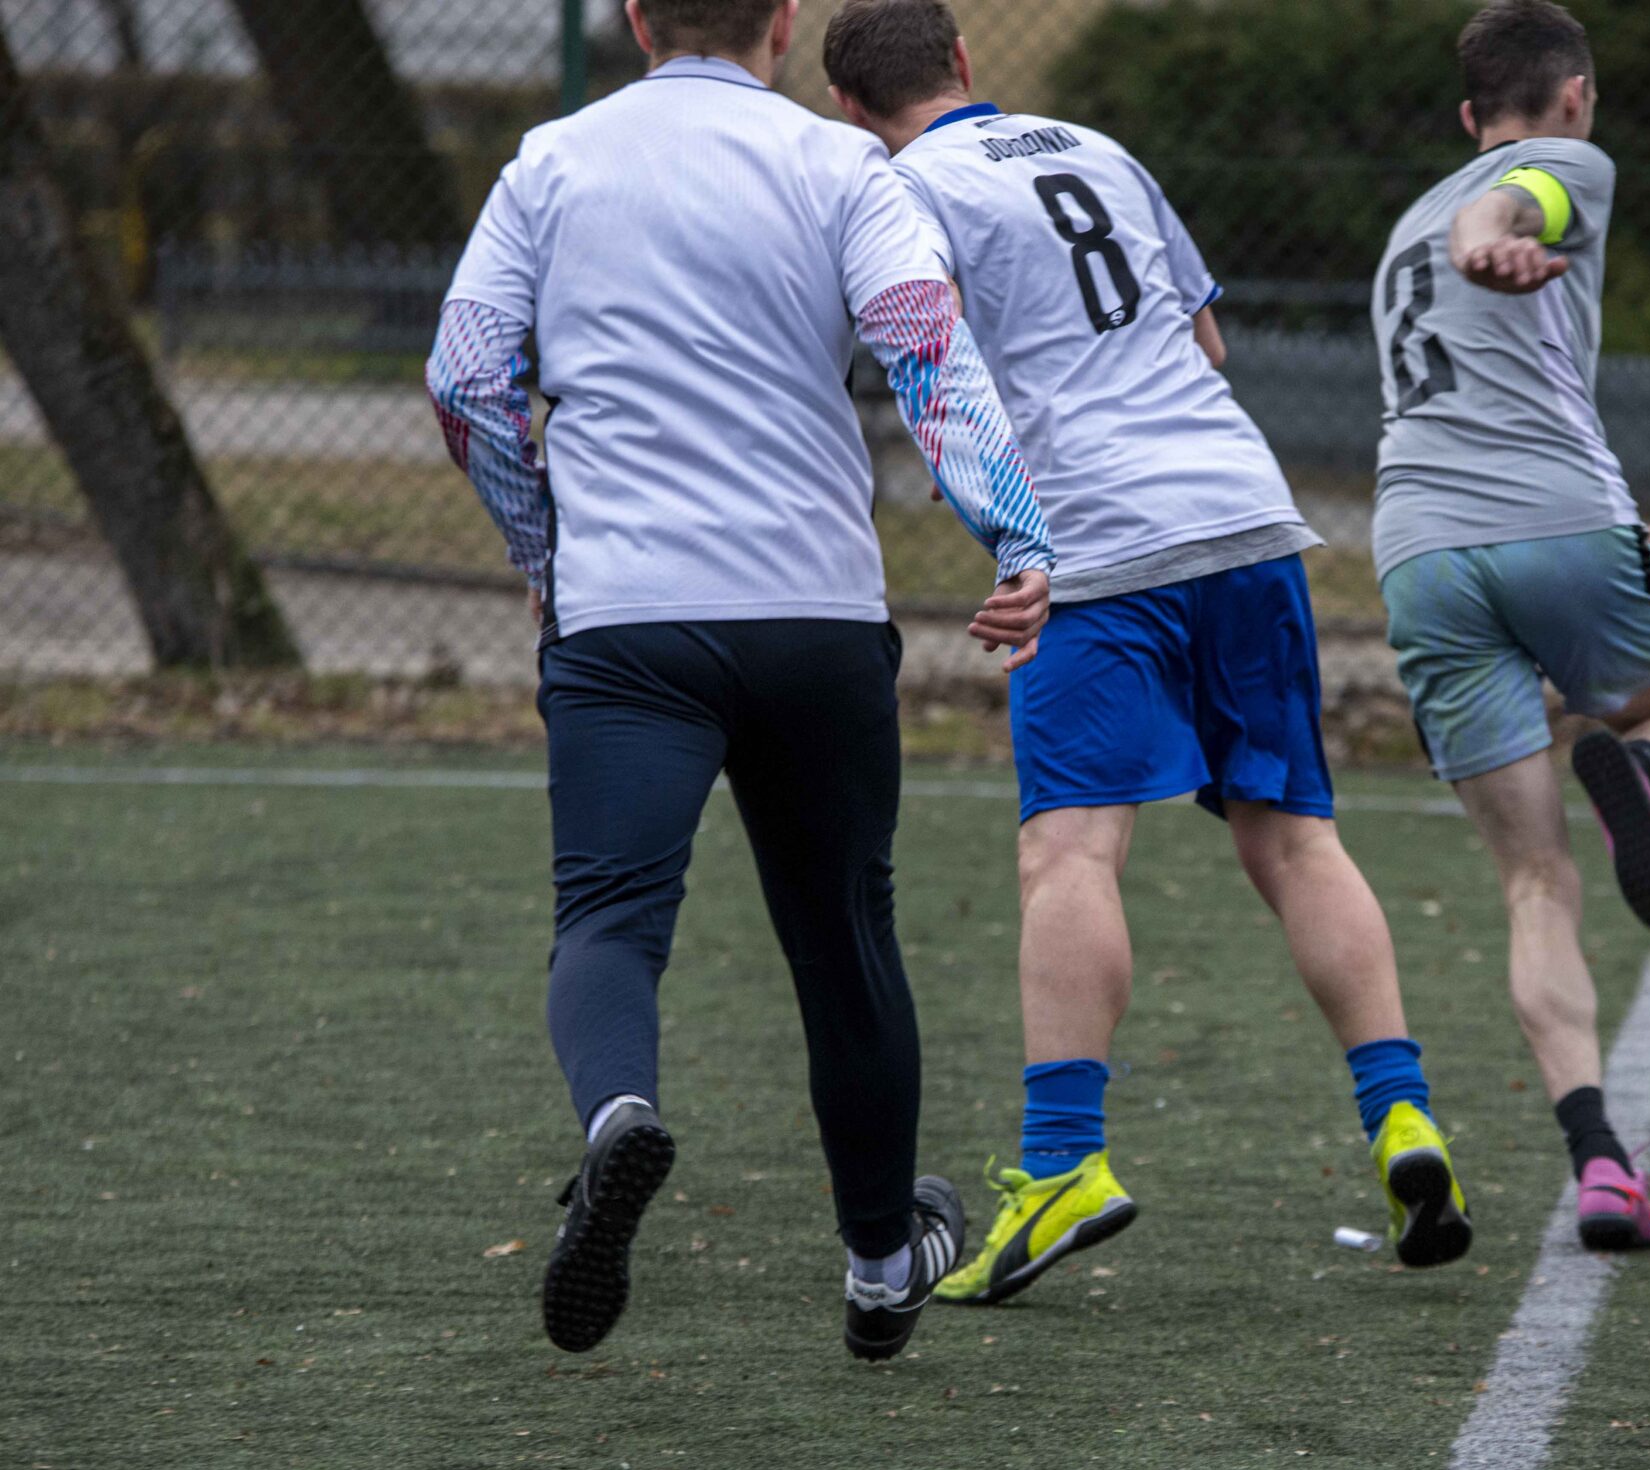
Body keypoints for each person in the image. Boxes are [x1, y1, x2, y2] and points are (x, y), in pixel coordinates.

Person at [426, 0, 1058, 1360]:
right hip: (814, 610)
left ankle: (619, 1117)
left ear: (635, 19)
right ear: (782, 19)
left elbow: (467, 379)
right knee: (845, 938)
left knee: (608, 917)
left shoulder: (552, 161)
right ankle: (882, 1265)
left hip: (626, 617)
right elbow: (927, 348)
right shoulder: (842, 164)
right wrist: (1015, 534)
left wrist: (542, 547)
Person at [821, 0, 1472, 1305]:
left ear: (848, 108)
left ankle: (1064, 1162)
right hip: (1242, 510)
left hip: (1098, 543)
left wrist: (999, 517)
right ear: (964, 61)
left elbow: (931, 359)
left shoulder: (897, 191)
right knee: (1297, 839)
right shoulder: (1096, 149)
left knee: (1070, 851)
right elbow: (1203, 339)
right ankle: (1403, 1115)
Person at [1369, 0, 1650, 1250]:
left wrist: (1645, 538)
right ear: (1573, 94)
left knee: (1534, 881)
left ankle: (1599, 1163)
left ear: (1464, 112)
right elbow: (1510, 206)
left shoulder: (1401, 230)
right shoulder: (1564, 163)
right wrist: (1493, 237)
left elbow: (1471, 417)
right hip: (1559, 521)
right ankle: (1636, 769)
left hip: (1421, 553)